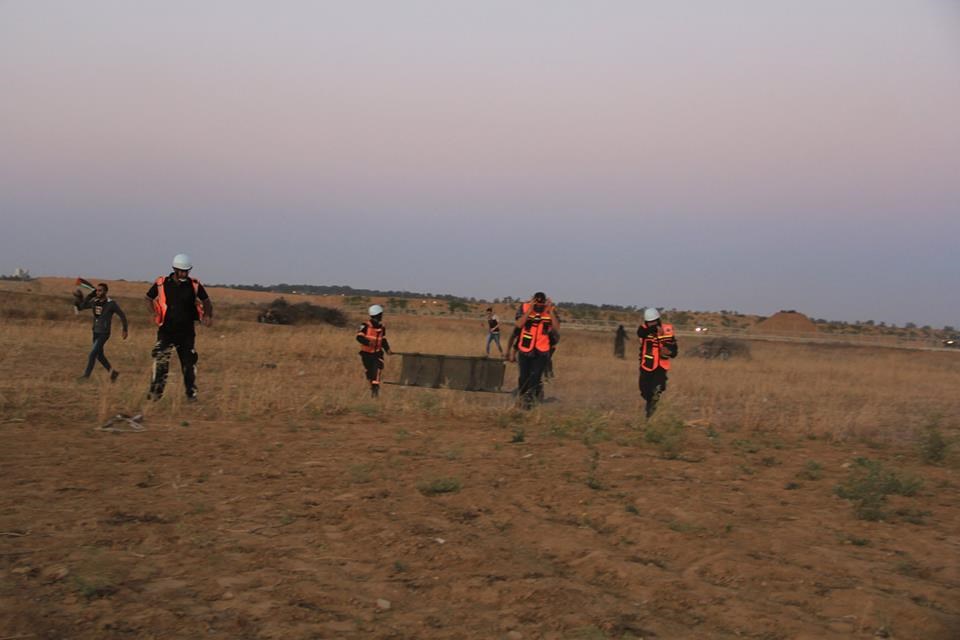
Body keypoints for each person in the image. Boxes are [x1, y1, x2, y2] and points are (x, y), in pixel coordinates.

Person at [144, 254, 213, 401]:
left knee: (189, 364)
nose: (185, 274)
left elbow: (207, 301)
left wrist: (207, 315)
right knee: (161, 362)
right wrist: (153, 313)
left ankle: (191, 394)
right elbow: (148, 298)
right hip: (166, 331)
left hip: (186, 333)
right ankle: (156, 393)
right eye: (182, 271)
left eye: (187, 271)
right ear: (174, 269)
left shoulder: (194, 285)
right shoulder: (162, 283)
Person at [74, 282, 128, 381]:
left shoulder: (111, 304)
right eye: (97, 290)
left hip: (104, 333)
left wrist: (125, 329)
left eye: (100, 290)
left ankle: (86, 376)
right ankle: (113, 373)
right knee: (99, 355)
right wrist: (88, 296)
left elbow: (122, 315)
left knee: (92, 354)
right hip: (95, 331)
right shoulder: (95, 301)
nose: (98, 292)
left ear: (105, 292)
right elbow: (82, 307)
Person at [514, 292, 559, 409]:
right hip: (525, 348)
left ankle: (530, 402)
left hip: (542, 350)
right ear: (533, 300)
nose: (539, 305)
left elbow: (557, 328)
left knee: (535, 377)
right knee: (523, 377)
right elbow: (519, 324)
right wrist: (529, 310)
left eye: (541, 303)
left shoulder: (550, 310)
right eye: (537, 302)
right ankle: (522, 397)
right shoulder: (524, 307)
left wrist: (550, 311)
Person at [637, 307, 678, 418]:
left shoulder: (667, 329)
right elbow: (640, 333)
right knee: (644, 390)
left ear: (658, 320)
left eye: (654, 322)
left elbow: (674, 350)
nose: (652, 324)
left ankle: (651, 414)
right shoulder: (643, 329)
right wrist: (655, 329)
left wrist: (669, 352)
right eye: (649, 322)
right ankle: (650, 404)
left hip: (661, 367)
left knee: (657, 390)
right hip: (646, 365)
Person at [356, 304, 392, 398]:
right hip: (366, 354)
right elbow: (359, 337)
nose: (382, 316)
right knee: (370, 373)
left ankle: (375, 390)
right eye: (381, 314)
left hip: (377, 354)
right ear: (377, 315)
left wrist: (387, 349)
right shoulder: (365, 326)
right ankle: (373, 388)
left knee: (377, 370)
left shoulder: (382, 327)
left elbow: (383, 340)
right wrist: (368, 343)